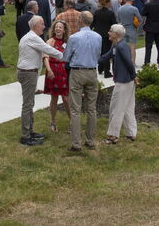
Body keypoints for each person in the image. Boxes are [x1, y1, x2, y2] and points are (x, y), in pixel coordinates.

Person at [15, 16, 64, 146]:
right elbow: (48, 50)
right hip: (28, 73)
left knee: (30, 103)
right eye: (42, 24)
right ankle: (25, 136)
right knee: (27, 105)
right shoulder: (33, 37)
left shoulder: (30, 37)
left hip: (28, 73)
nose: (44, 26)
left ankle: (30, 132)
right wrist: (66, 56)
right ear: (36, 25)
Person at [62, 11, 101, 152]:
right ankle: (90, 140)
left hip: (78, 72)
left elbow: (66, 57)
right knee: (91, 108)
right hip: (92, 71)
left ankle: (76, 143)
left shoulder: (74, 37)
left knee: (76, 109)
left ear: (80, 20)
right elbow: (98, 54)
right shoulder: (98, 36)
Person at [99, 24, 138, 144]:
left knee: (116, 108)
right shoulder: (116, 45)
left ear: (116, 34)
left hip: (124, 82)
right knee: (127, 108)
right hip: (126, 81)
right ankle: (131, 133)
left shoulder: (121, 47)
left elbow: (129, 63)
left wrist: (134, 76)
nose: (108, 33)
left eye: (110, 31)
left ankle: (113, 135)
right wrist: (91, 60)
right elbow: (106, 56)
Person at [43, 20, 71, 133]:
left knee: (66, 98)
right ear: (54, 29)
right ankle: (53, 122)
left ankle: (72, 122)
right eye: (56, 27)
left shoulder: (68, 42)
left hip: (64, 72)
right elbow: (45, 57)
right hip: (53, 71)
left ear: (64, 30)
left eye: (60, 27)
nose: (58, 29)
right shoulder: (50, 41)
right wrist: (48, 70)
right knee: (54, 98)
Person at [91, 0, 117, 77]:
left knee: (100, 52)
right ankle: (107, 71)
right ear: (107, 3)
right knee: (107, 52)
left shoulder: (97, 12)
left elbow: (93, 24)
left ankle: (100, 67)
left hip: (97, 34)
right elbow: (114, 24)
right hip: (107, 35)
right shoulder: (110, 13)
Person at [142, 0, 159, 66]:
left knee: (148, 46)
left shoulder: (148, 5)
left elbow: (143, 13)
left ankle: (147, 61)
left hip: (150, 26)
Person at [117, 0, 142, 64]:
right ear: (131, 0)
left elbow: (118, 20)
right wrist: (136, 25)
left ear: (124, 0)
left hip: (123, 30)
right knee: (132, 48)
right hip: (132, 28)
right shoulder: (134, 9)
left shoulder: (120, 9)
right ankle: (132, 63)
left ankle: (124, 63)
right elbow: (140, 19)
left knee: (123, 48)